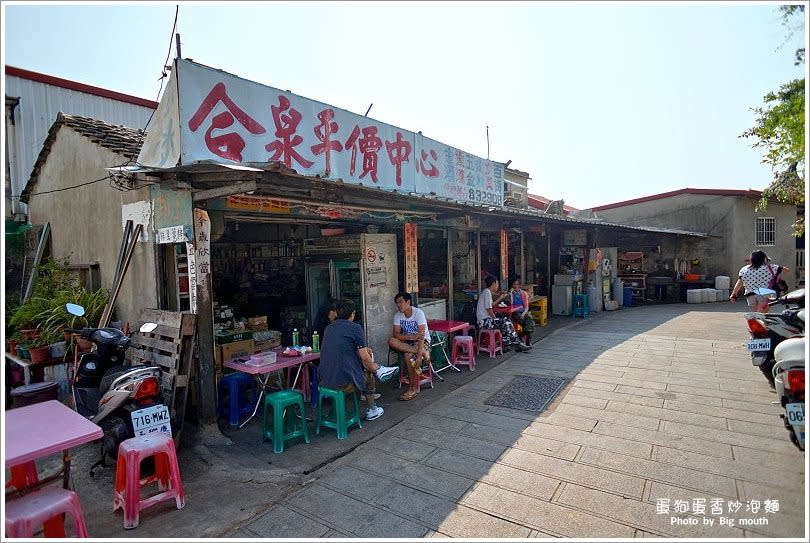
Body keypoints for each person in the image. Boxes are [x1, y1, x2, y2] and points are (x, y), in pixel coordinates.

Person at [319, 299, 398, 420]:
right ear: (352, 314)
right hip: (343, 383)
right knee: (368, 372)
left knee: (363, 364)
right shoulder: (355, 328)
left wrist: (364, 351)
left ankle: (380, 370)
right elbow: (365, 359)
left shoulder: (328, 328)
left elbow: (343, 349)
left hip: (324, 382)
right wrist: (373, 367)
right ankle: (373, 409)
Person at [387, 292, 431, 401]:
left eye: (401, 302)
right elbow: (396, 334)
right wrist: (409, 337)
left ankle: (412, 388)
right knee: (391, 341)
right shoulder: (398, 315)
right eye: (397, 303)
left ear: (408, 302)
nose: (399, 305)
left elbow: (421, 337)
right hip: (408, 342)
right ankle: (422, 352)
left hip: (422, 342)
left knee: (407, 356)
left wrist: (419, 356)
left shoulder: (418, 313)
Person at [476, 276, 532, 352]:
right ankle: (516, 344)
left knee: (505, 321)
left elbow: (491, 305)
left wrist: (500, 298)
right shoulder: (487, 292)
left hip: (486, 320)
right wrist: (494, 318)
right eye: (497, 284)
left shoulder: (486, 292)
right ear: (493, 283)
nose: (497, 286)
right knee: (506, 322)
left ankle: (507, 345)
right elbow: (489, 309)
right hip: (484, 322)